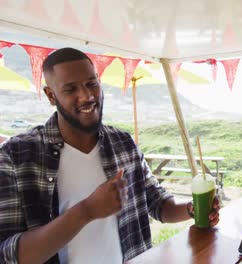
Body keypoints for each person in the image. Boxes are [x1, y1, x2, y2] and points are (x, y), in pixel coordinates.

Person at [0, 47, 220, 264]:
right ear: (51, 95)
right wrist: (86, 211)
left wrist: (193, 209)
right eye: (70, 89)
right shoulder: (16, 156)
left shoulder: (122, 143)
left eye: (91, 83)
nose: (86, 95)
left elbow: (158, 204)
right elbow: (8, 254)